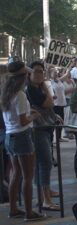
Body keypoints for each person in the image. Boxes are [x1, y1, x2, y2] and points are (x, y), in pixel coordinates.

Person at [1, 61, 45, 221]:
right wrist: (33, 116)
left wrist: (28, 112)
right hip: (21, 136)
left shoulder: (7, 93)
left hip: (10, 136)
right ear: (23, 76)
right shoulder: (19, 94)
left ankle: (14, 209)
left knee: (15, 174)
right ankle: (29, 212)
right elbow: (22, 121)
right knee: (28, 176)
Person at [26, 61, 60, 211]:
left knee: (44, 163)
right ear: (29, 74)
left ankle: (45, 192)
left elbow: (49, 104)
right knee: (44, 163)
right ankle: (45, 198)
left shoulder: (38, 88)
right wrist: (46, 86)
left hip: (45, 128)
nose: (41, 74)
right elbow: (50, 102)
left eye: (42, 71)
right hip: (38, 130)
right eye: (37, 71)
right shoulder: (31, 90)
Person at [50, 67, 68, 142]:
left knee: (61, 121)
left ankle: (59, 137)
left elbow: (67, 74)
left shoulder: (59, 80)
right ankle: (51, 139)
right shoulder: (50, 82)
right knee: (54, 122)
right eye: (54, 72)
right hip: (55, 105)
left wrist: (68, 68)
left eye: (56, 72)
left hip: (62, 103)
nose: (56, 73)